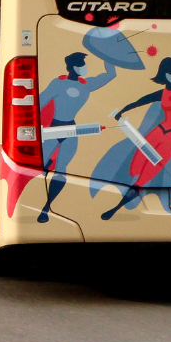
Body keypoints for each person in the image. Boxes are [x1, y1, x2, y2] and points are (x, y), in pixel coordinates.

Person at [96, 56, 171, 220]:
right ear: (165, 75)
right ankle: (121, 197)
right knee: (136, 165)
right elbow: (141, 101)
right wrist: (122, 110)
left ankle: (115, 208)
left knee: (146, 175)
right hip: (159, 132)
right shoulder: (161, 93)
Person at [36, 51, 117, 222]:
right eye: (82, 65)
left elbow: (111, 74)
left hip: (71, 131)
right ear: (73, 67)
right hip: (53, 129)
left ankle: (46, 207)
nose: (85, 68)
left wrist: (108, 55)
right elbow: (40, 102)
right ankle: (37, 201)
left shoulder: (86, 85)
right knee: (40, 166)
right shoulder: (58, 83)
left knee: (62, 171)